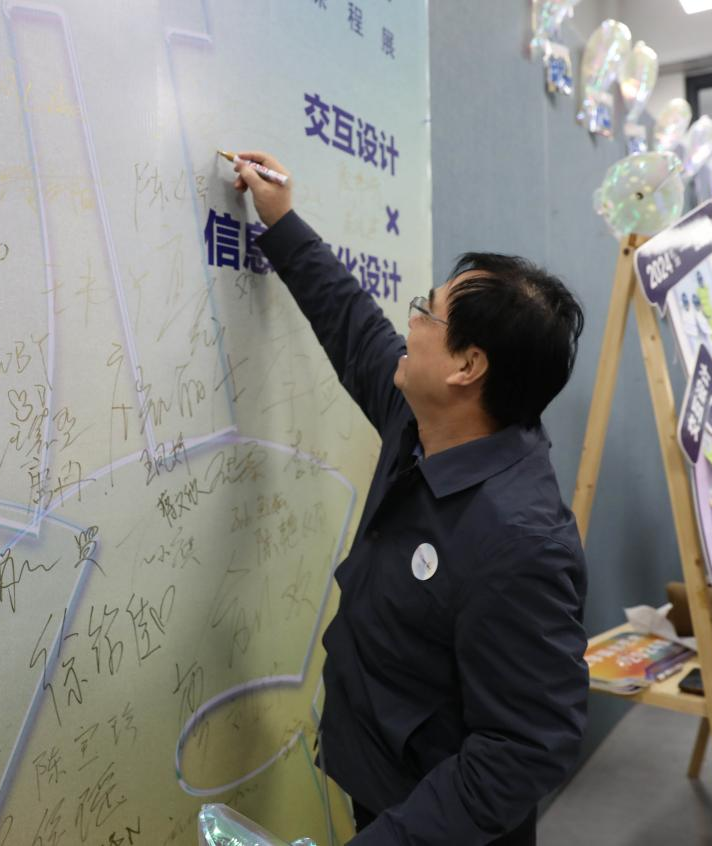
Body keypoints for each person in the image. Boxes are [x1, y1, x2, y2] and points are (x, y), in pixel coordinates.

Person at [232, 151, 589, 845]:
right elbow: (351, 323)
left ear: (467, 366)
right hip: (380, 781)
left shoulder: (520, 540)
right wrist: (282, 221)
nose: (411, 320)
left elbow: (523, 748)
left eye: (427, 311)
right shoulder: (426, 424)